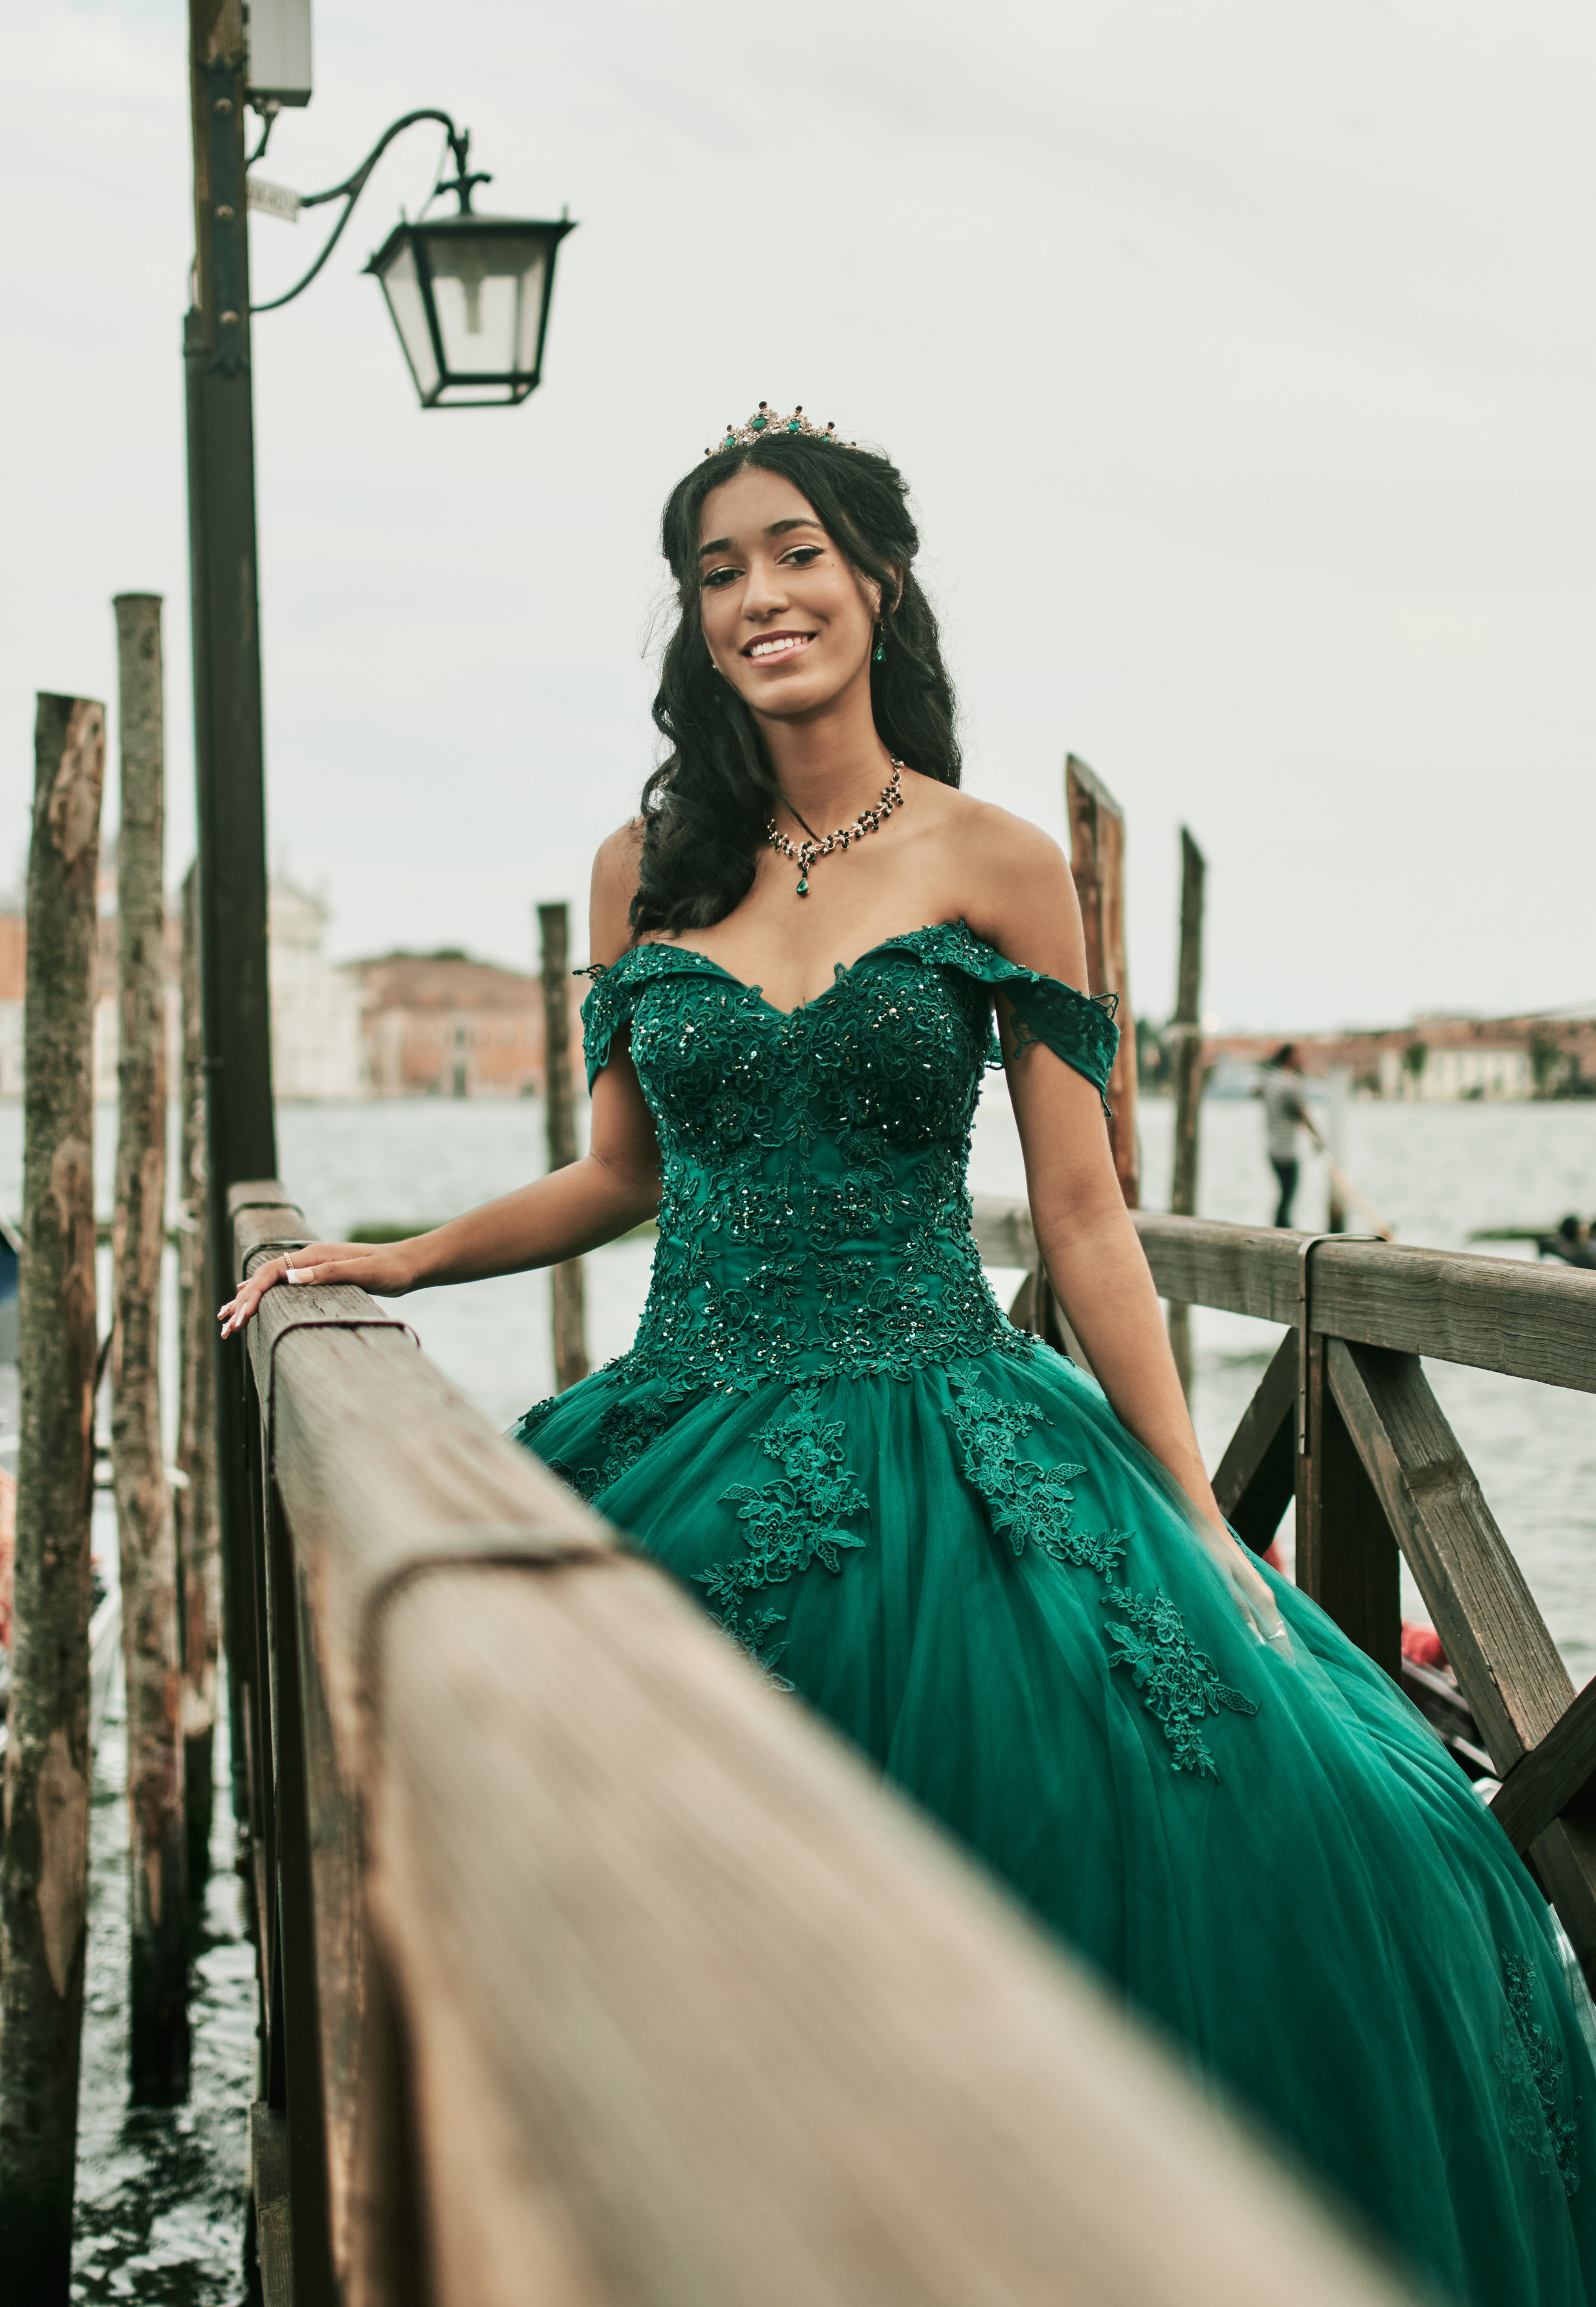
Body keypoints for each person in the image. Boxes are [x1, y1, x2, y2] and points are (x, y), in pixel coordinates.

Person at [223, 408, 1596, 2304]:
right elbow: (617, 1170)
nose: (759, 596)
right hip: (687, 1420)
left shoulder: (1001, 862)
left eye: (794, 552)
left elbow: (1089, 1218)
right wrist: (396, 1251)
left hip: (960, 1432)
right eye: (717, 572)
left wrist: (1199, 1510)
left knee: (1273, 1842)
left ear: (873, 578)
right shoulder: (648, 861)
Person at [1259, 1041, 1307, 1227]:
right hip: (1287, 1149)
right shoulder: (1290, 1083)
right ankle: (1284, 1228)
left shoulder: (1270, 1080)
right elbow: (1302, 1113)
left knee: (1283, 1194)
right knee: (1288, 1194)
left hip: (1272, 1148)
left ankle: (1281, 1226)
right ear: (1291, 1058)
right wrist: (1319, 1139)